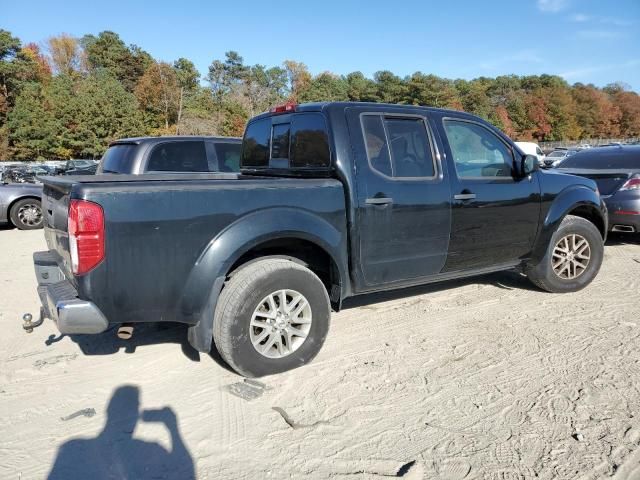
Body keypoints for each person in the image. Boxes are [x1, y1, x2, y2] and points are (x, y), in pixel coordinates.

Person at [48, 385, 195, 480]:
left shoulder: (70, 448)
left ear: (108, 410)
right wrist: (173, 429)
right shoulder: (153, 448)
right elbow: (188, 471)